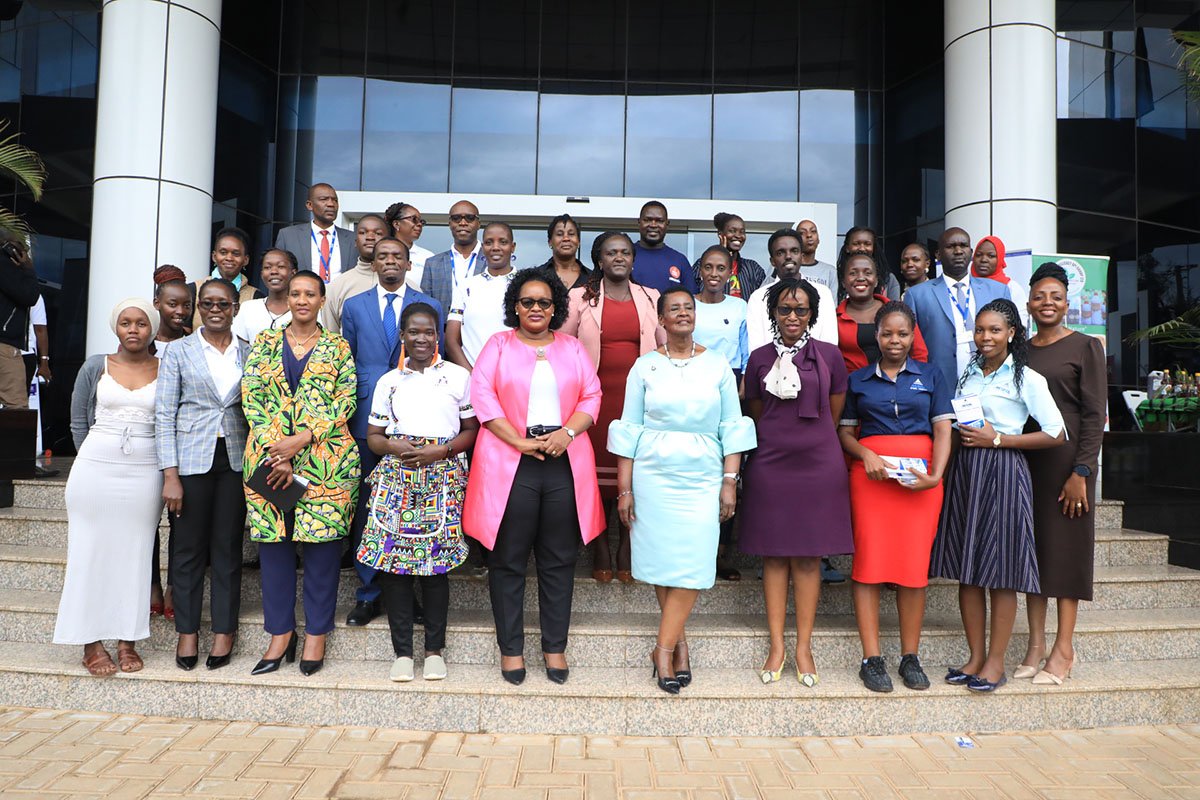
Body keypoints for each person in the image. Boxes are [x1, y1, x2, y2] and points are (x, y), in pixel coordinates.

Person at [609, 287, 755, 694]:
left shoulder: (717, 365)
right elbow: (629, 430)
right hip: (653, 475)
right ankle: (678, 643)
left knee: (692, 563)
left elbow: (732, 425)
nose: (683, 313)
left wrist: (730, 480)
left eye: (688, 308)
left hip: (703, 475)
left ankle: (662, 647)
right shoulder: (644, 367)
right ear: (661, 319)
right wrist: (624, 490)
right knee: (662, 558)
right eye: (674, 308)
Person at [463, 270, 605, 686]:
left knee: (559, 560)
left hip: (562, 458)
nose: (536, 309)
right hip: (512, 461)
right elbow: (482, 394)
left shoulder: (572, 347)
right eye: (528, 302)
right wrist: (520, 442)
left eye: (544, 302)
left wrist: (567, 433)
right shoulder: (498, 345)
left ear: (556, 307)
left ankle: (554, 647)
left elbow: (591, 396)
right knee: (507, 561)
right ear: (515, 306)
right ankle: (510, 650)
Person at [929, 298, 1066, 693]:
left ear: (1012, 334)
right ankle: (974, 657)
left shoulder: (1027, 378)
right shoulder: (969, 372)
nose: (985, 337)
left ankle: (995, 662)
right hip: (967, 472)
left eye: (994, 330)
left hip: (1005, 471)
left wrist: (1001, 439)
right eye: (980, 330)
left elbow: (1057, 432)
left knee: (1000, 571)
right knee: (968, 570)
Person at [242, 271, 360, 677]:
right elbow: (251, 395)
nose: (302, 300)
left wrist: (302, 440)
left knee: (322, 552)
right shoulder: (264, 342)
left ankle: (316, 635)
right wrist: (280, 448)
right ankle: (280, 633)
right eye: (295, 293)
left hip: (326, 463)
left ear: (323, 299)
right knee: (274, 550)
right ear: (286, 297)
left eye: (310, 293)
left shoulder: (337, 347)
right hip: (269, 461)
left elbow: (345, 401)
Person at [740, 277, 851, 687]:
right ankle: (776, 645)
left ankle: (803, 645)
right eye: (784, 309)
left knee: (807, 557)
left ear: (812, 315)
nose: (792, 317)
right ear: (772, 313)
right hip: (771, 461)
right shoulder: (757, 358)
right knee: (773, 556)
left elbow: (834, 409)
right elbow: (754, 409)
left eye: (800, 310)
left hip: (818, 462)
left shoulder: (831, 356)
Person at [358, 302, 478, 682]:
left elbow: (472, 430)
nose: (422, 338)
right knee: (394, 568)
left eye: (429, 332)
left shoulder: (457, 377)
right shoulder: (388, 381)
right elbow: (374, 438)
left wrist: (440, 451)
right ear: (404, 337)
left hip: (442, 475)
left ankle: (435, 651)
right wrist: (397, 447)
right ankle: (403, 653)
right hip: (398, 476)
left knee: (434, 567)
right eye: (414, 332)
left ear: (438, 334)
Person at [838, 301, 953, 693]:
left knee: (913, 567)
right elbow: (845, 434)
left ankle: (910, 656)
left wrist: (936, 475)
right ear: (877, 336)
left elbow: (942, 431)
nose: (895, 340)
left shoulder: (932, 375)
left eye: (903, 334)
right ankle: (871, 658)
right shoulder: (858, 380)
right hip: (870, 479)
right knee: (869, 563)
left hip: (921, 480)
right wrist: (866, 453)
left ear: (912, 336)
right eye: (887, 333)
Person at [55, 299, 162, 675]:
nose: (133, 329)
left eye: (141, 324)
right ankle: (91, 644)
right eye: (125, 323)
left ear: (152, 329)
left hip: (146, 470)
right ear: (115, 328)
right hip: (96, 468)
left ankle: (128, 640)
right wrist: (93, 457)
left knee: (134, 557)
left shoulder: (166, 367)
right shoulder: (95, 366)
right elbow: (78, 418)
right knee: (90, 554)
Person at [341, 238, 443, 627]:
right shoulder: (354, 305)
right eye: (382, 255)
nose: (389, 262)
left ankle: (407, 592)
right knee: (370, 505)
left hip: (420, 424)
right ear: (373, 260)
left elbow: (436, 364)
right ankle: (369, 593)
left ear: (407, 262)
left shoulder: (428, 305)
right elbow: (346, 363)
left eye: (397, 256)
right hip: (368, 418)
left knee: (413, 509)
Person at [1016, 263, 1107, 686]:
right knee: (1033, 557)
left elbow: (1094, 415)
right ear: (1029, 303)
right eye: (1039, 296)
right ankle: (1035, 645)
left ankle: (1063, 648)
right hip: (1028, 460)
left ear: (1067, 303)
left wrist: (1082, 472)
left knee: (1066, 556)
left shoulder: (1086, 346)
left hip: (1069, 464)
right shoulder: (1022, 349)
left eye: (1055, 296)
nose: (1046, 303)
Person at [156, 279, 249, 672]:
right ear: (197, 307)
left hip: (237, 460)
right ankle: (188, 631)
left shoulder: (251, 351)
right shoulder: (178, 351)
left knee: (228, 549)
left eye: (223, 304)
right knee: (188, 550)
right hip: (191, 462)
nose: (215, 309)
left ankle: (225, 631)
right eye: (208, 303)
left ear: (235, 309)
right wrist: (170, 475)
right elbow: (164, 414)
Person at [561, 231, 664, 583]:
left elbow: (664, 346)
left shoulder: (651, 297)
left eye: (624, 252)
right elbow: (564, 343)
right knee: (596, 473)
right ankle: (602, 546)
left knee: (633, 470)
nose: (618, 257)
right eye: (611, 253)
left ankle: (628, 546)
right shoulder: (579, 297)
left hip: (638, 400)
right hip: (594, 399)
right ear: (599, 260)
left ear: (633, 259)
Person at [691, 245, 750, 581]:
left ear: (730, 272)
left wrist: (737, 395)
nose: (714, 274)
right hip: (693, 390)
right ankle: (695, 549)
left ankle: (721, 554)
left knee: (728, 475)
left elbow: (745, 353)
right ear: (700, 270)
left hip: (729, 390)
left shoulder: (740, 307)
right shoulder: (689, 303)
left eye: (721, 268)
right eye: (709, 267)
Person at [905, 227, 1010, 388]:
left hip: (991, 387)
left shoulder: (998, 290)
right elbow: (911, 348)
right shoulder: (916, 295)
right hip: (939, 387)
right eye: (951, 246)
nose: (958, 251)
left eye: (963, 245)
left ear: (971, 252)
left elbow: (1011, 340)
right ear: (938, 254)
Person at [150, 266, 193, 621]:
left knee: (181, 524)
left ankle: (176, 586)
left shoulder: (195, 346)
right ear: (157, 304)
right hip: (144, 450)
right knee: (145, 523)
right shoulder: (139, 344)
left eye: (185, 306)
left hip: (186, 451)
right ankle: (151, 583)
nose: (179, 312)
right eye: (172, 305)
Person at [835, 253, 929, 373]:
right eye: (853, 273)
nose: (861, 278)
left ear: (876, 280)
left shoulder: (898, 311)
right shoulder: (834, 318)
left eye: (868, 273)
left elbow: (918, 352)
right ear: (843, 282)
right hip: (851, 387)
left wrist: (915, 383)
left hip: (898, 385)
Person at [747, 229, 837, 350]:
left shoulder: (823, 293)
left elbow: (829, 344)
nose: (788, 256)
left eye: (794, 251)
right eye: (780, 253)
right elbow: (756, 348)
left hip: (817, 366)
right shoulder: (758, 298)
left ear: (802, 256)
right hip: (771, 367)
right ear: (772, 261)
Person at [446, 222, 518, 370]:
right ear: (482, 247)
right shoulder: (466, 286)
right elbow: (451, 341)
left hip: (514, 377)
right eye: (489, 242)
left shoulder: (525, 285)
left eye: (503, 242)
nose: (495, 247)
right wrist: (473, 376)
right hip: (474, 378)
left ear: (513, 247)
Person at [274, 183, 356, 280]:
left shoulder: (353, 238)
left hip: (342, 295)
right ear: (309, 205)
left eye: (335, 200)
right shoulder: (288, 236)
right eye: (323, 199)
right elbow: (278, 273)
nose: (331, 204)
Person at [324, 213, 389, 333]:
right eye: (363, 232)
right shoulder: (336, 287)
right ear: (355, 242)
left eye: (378, 233)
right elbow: (331, 338)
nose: (370, 237)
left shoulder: (408, 287)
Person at [189, 227, 263, 331]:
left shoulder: (255, 297)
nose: (229, 258)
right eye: (223, 252)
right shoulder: (193, 290)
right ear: (214, 256)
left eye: (236, 253)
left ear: (245, 260)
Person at [422, 200, 487, 315]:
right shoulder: (432, 263)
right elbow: (425, 306)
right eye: (456, 218)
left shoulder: (491, 260)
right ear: (450, 224)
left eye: (470, 218)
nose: (462, 223)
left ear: (478, 224)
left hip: (481, 330)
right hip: (443, 329)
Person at [0, 230, 39, 409]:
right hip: (4, 346)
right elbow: (30, 296)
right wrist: (28, 270)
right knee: (17, 411)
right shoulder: (4, 264)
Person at [690, 213, 765, 298]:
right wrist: (723, 254)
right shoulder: (703, 264)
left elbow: (762, 298)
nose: (738, 235)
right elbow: (693, 294)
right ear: (720, 234)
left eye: (742, 232)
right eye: (732, 231)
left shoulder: (753, 268)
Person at [233, 249, 297, 345]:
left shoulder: (304, 309)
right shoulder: (248, 308)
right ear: (262, 274)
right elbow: (239, 350)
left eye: (281, 266)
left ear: (293, 273)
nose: (274, 271)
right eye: (267, 267)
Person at [631, 201, 697, 293]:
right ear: (639, 222)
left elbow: (690, 299)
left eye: (659, 221)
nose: (653, 225)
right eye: (648, 220)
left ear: (667, 224)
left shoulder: (680, 260)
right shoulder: (626, 256)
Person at [972, 235, 1029, 328]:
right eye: (978, 255)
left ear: (1000, 258)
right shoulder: (964, 285)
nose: (983, 260)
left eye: (991, 256)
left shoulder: (1011, 287)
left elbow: (1021, 324)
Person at [837, 227, 901, 301]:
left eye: (867, 244)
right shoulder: (835, 276)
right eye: (856, 244)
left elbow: (895, 309)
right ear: (847, 248)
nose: (862, 248)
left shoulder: (888, 279)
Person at [385, 201, 435, 290]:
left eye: (421, 221)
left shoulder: (428, 257)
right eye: (414, 219)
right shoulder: (381, 253)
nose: (419, 224)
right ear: (396, 224)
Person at [536, 214, 592, 290]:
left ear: (579, 242)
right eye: (559, 234)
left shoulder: (592, 278)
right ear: (550, 242)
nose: (566, 238)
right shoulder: (537, 276)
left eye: (571, 234)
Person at [794, 219, 839, 293]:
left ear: (818, 239)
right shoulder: (786, 267)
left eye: (813, 231)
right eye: (802, 233)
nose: (809, 235)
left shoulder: (830, 271)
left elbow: (832, 303)